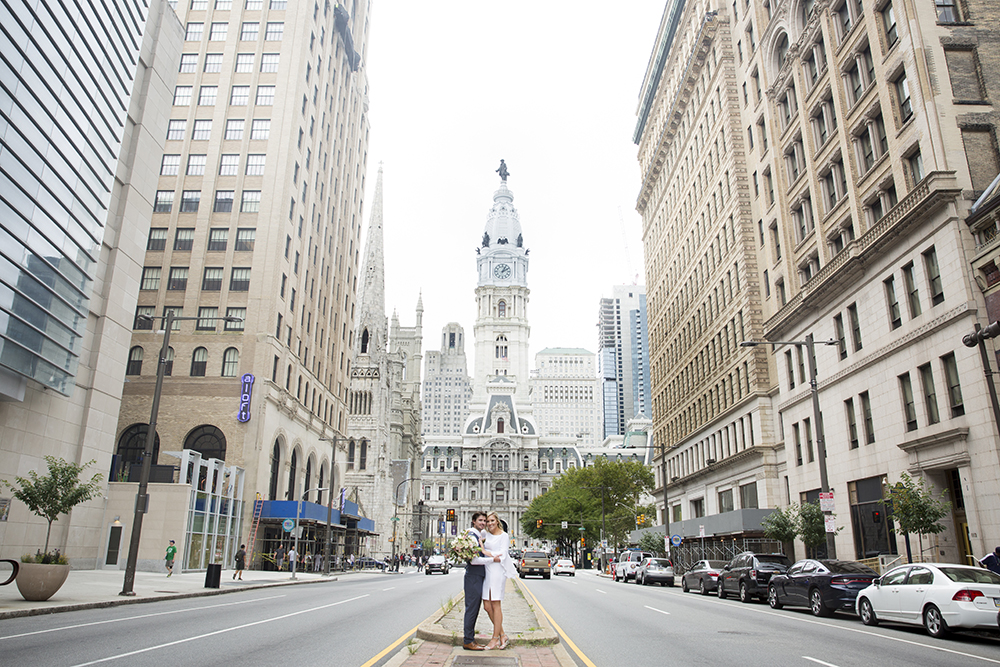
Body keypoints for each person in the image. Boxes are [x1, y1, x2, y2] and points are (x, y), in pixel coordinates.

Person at [462, 511, 499, 651]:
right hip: (473, 576)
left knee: (474, 608)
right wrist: (492, 560)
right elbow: (474, 560)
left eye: (485, 521)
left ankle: (470, 639)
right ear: (474, 521)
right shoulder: (472, 537)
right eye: (481, 521)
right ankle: (468, 640)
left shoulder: (478, 535)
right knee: (471, 609)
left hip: (477, 576)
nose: (483, 523)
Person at [481, 512, 517, 650]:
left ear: (497, 521)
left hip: (498, 570)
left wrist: (487, 553)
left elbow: (503, 554)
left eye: (492, 521)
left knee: (495, 603)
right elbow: (478, 545)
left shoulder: (504, 536)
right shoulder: (485, 535)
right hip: (487, 570)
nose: (489, 523)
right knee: (487, 606)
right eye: (487, 521)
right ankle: (502, 634)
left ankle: (494, 639)